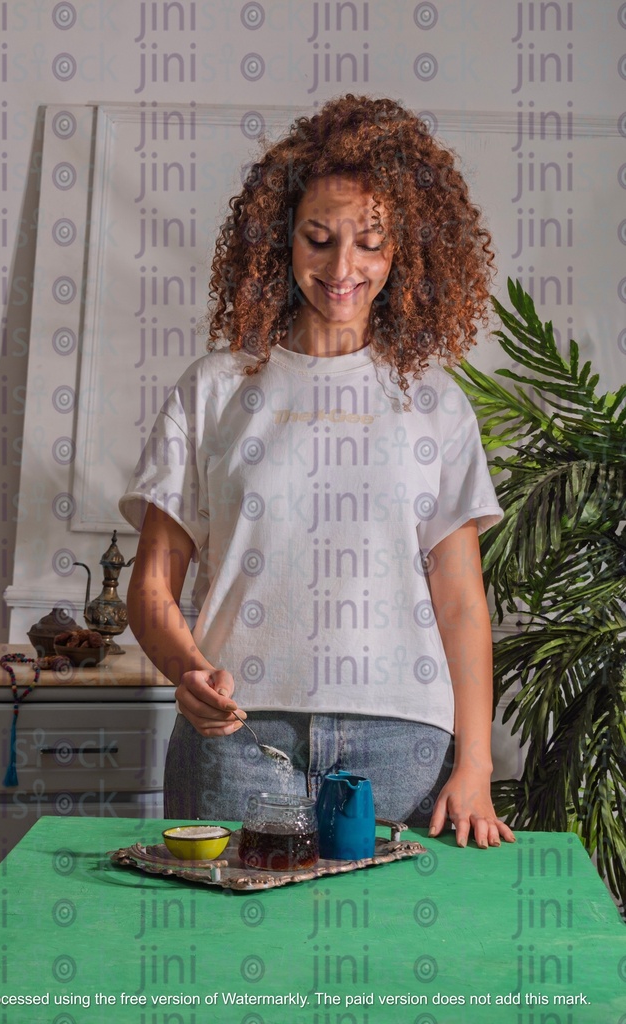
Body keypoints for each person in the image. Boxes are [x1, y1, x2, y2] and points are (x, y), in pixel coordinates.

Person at [120, 94, 515, 849]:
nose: (343, 268)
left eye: (370, 243)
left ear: (404, 253)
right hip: (236, 737)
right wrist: (187, 670)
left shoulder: (431, 401)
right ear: (281, 240)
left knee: (389, 962)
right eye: (318, 238)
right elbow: (151, 586)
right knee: (230, 958)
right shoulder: (214, 389)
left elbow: (461, 601)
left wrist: (475, 766)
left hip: (401, 742)